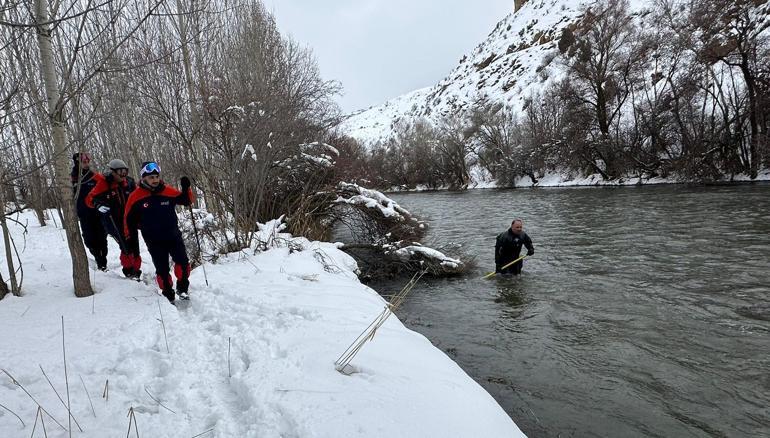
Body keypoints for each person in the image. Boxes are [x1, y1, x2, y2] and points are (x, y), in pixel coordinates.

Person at [124, 161, 193, 303]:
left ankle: (183, 289)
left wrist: (186, 188)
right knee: (162, 270)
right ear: (143, 178)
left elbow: (186, 201)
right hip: (154, 240)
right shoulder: (135, 197)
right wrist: (129, 237)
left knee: (184, 264)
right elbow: (128, 220)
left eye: (156, 176)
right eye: (151, 177)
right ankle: (168, 295)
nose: (155, 180)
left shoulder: (167, 191)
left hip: (173, 235)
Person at [86, 159, 141, 279]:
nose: (123, 175)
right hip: (113, 221)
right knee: (125, 245)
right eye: (120, 172)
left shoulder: (130, 182)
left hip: (130, 220)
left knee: (134, 245)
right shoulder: (104, 183)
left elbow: (139, 195)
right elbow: (91, 198)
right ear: (113, 172)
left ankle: (136, 269)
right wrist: (98, 205)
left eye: (125, 171)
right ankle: (129, 270)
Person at [70, 152, 108, 270]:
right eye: (84, 162)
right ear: (77, 163)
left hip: (97, 214)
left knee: (102, 239)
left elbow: (106, 186)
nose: (86, 164)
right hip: (84, 215)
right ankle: (97, 258)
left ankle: (103, 263)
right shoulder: (71, 178)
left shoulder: (94, 176)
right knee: (89, 240)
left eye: (87, 162)